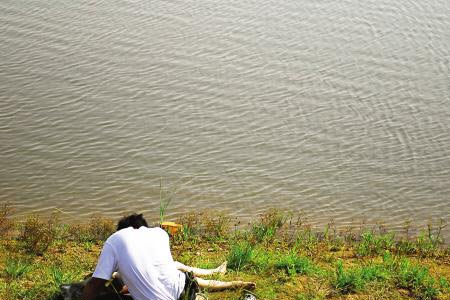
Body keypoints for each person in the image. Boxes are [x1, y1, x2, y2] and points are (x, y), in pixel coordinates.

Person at [83, 213, 255, 300]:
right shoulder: (159, 234)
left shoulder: (116, 240)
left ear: (123, 230)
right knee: (177, 271)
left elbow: (96, 284)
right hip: (186, 291)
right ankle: (226, 285)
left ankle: (223, 283)